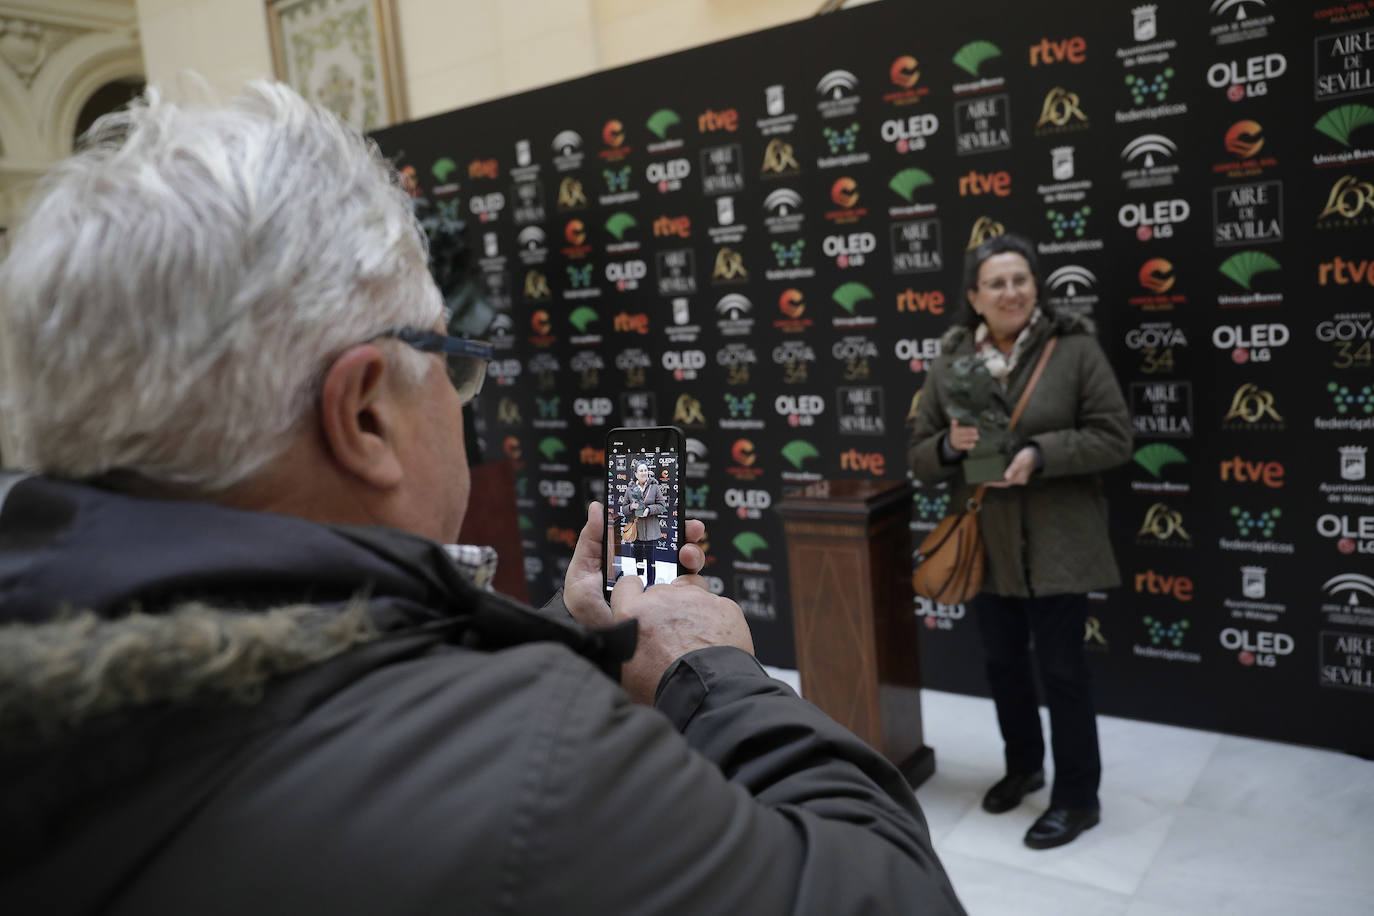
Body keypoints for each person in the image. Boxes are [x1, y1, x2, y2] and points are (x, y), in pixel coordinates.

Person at [0, 81, 965, 914]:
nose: (464, 401)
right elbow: (890, 890)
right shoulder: (539, 775)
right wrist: (702, 660)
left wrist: (573, 636)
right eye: (454, 363)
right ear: (366, 413)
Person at [907, 233, 1131, 850]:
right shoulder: (953, 358)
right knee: (1004, 667)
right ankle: (1024, 767)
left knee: (1064, 672)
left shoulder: (1074, 348)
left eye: (1021, 280)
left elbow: (1115, 437)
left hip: (1060, 541)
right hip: (987, 540)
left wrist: (1041, 452)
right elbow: (923, 457)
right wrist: (951, 446)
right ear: (974, 297)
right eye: (996, 283)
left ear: (1036, 287)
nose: (1011, 292)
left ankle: (1078, 798)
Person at [620, 458, 667, 585]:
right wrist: (631, 507)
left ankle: (651, 583)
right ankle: (640, 580)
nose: (643, 473)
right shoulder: (630, 489)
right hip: (637, 530)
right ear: (635, 473)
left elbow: (662, 506)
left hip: (651, 530)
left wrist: (649, 510)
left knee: (651, 560)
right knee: (638, 558)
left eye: (645, 470)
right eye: (641, 470)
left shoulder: (655, 487)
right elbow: (624, 509)